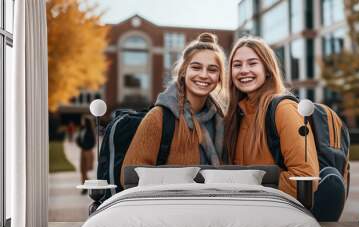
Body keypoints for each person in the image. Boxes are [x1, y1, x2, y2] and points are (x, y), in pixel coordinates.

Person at [121, 33, 227, 183]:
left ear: (220, 77)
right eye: (196, 67)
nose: (204, 75)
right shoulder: (159, 117)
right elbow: (130, 178)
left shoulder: (222, 122)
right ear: (184, 71)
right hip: (168, 205)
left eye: (212, 70)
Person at [224, 36, 319, 198]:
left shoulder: (284, 110)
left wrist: (252, 189)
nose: (244, 70)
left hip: (275, 212)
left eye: (252, 63)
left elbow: (305, 177)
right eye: (237, 65)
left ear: (267, 70)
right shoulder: (237, 114)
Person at [76, 116, 96, 193]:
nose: (82, 122)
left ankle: (87, 186)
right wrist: (79, 142)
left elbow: (92, 142)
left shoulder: (90, 131)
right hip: (83, 151)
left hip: (88, 151)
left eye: (83, 120)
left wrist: (85, 145)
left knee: (85, 170)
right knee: (82, 170)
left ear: (86, 122)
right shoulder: (82, 130)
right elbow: (79, 139)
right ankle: (86, 186)